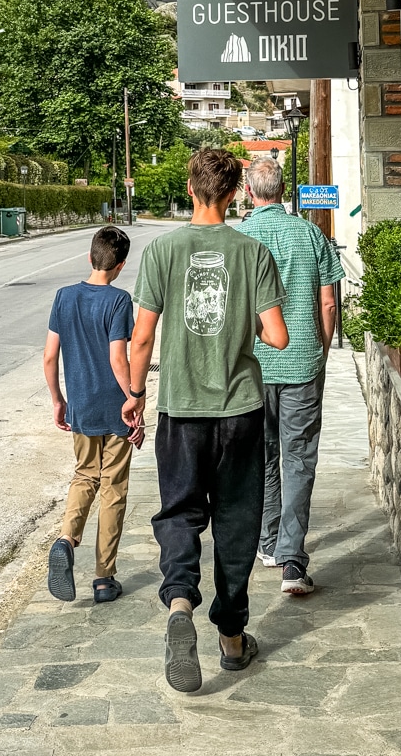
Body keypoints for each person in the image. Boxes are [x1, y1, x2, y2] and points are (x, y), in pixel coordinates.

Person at [123, 147, 288, 694]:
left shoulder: (163, 251)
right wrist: (248, 327)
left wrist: (134, 392)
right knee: (238, 524)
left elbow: (142, 336)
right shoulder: (253, 252)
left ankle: (178, 605)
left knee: (180, 514)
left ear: (191, 190)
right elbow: (277, 337)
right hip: (240, 410)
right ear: (237, 191)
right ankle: (233, 640)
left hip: (181, 410)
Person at [236, 154, 343, 597]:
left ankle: (266, 541)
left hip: (251, 366)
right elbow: (329, 303)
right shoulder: (311, 234)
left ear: (248, 192)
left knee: (260, 455)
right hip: (300, 362)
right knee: (298, 457)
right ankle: (292, 562)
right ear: (283, 191)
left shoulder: (238, 237)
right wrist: (321, 351)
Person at [43, 225, 143, 605]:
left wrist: (58, 399)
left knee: (85, 475)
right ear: (120, 265)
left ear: (90, 257)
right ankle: (104, 578)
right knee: (113, 489)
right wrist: (135, 398)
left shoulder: (64, 297)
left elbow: (50, 356)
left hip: (82, 405)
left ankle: (67, 539)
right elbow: (120, 358)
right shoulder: (119, 301)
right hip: (115, 407)